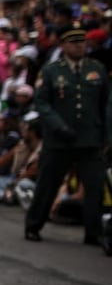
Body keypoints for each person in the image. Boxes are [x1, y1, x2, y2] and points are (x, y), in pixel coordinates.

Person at [24, 27, 110, 244]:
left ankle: (94, 231)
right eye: (73, 43)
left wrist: (106, 135)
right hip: (59, 139)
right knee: (47, 184)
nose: (78, 46)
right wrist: (57, 126)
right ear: (63, 46)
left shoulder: (97, 69)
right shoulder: (52, 71)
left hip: (90, 138)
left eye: (81, 42)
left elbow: (106, 105)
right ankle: (34, 225)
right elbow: (42, 104)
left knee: (95, 185)